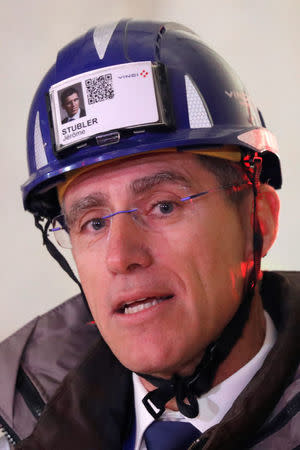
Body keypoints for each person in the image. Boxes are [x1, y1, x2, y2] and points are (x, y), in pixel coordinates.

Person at [0, 19, 299, 450]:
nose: (121, 256)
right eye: (94, 222)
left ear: (259, 222)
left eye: (164, 206)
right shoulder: (14, 413)